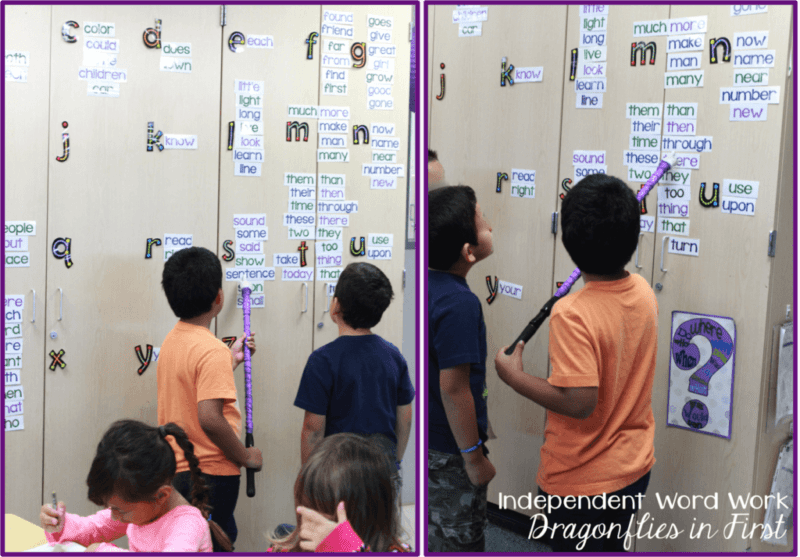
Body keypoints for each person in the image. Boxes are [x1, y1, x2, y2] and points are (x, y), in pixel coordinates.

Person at [494, 174, 657, 552]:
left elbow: (580, 402)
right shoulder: (644, 291)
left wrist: (514, 377)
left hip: (581, 482)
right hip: (633, 467)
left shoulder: (571, 313)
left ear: (567, 241)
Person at [158, 246, 262, 551]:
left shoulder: (172, 342)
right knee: (216, 542)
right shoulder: (211, 350)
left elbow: (191, 386)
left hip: (178, 471)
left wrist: (228, 361)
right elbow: (209, 418)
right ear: (219, 297)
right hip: (212, 475)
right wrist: (245, 457)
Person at [294, 262, 414, 472]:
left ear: (336, 305)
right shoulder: (394, 356)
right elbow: (405, 418)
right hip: (382, 469)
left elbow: (312, 430)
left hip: (338, 473)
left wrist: (309, 480)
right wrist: (395, 461)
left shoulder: (322, 360)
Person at [40, 420, 228, 552]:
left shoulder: (188, 526)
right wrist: (61, 525)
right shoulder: (137, 508)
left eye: (118, 509)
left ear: (161, 496)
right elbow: (95, 527)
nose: (114, 516)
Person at [428, 185, 495, 552]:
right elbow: (454, 388)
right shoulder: (459, 303)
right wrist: (474, 459)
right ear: (468, 252)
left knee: (434, 532)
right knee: (458, 537)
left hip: (432, 441)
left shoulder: (429, 287)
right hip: (451, 452)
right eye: (483, 222)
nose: (491, 227)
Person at [267, 433, 410, 552]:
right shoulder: (283, 547)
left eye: (329, 518)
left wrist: (350, 548)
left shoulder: (396, 550)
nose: (312, 520)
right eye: (308, 507)